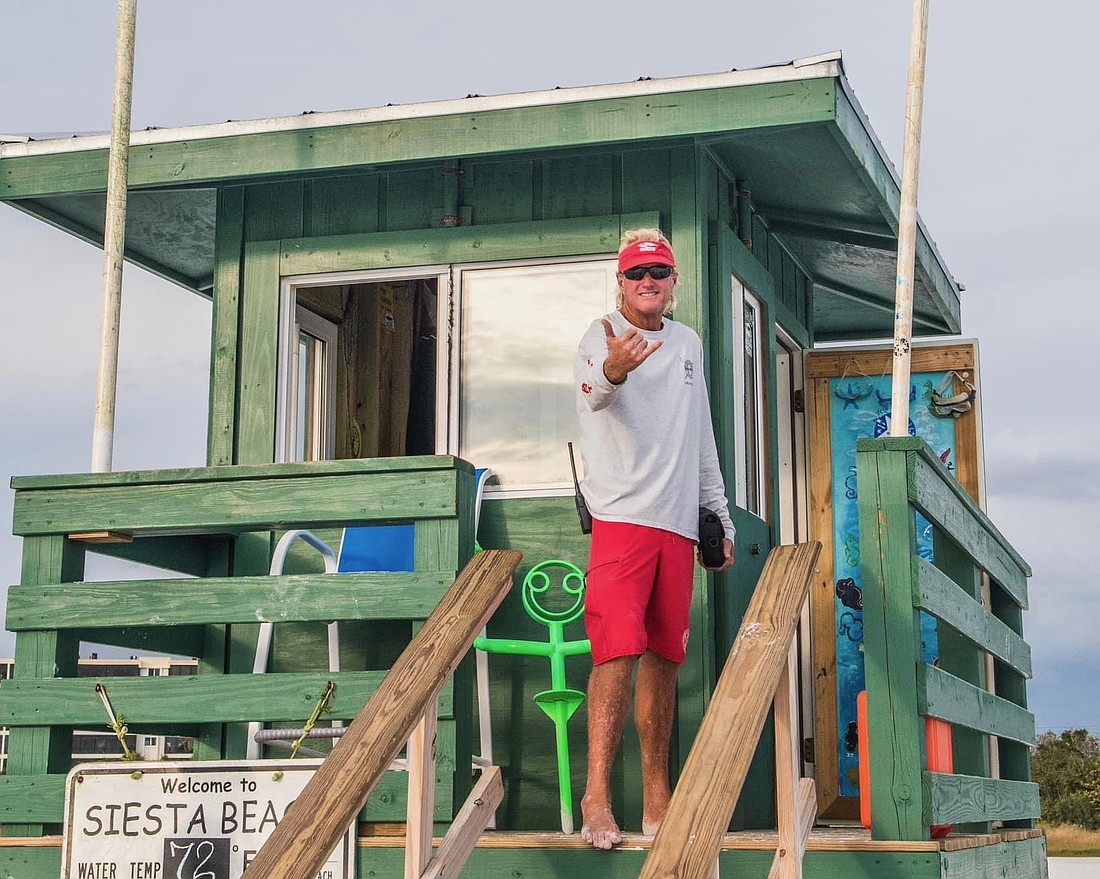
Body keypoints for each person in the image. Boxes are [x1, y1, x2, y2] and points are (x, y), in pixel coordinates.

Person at [574, 229, 736, 850]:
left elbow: (702, 438)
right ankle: (596, 797)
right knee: (615, 653)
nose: (648, 283)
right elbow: (593, 391)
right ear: (620, 281)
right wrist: (616, 368)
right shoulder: (601, 334)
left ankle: (657, 796)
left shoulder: (689, 342)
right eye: (637, 273)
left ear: (674, 281)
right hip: (621, 518)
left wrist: (715, 515)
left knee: (665, 660)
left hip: (676, 525)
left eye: (659, 273)